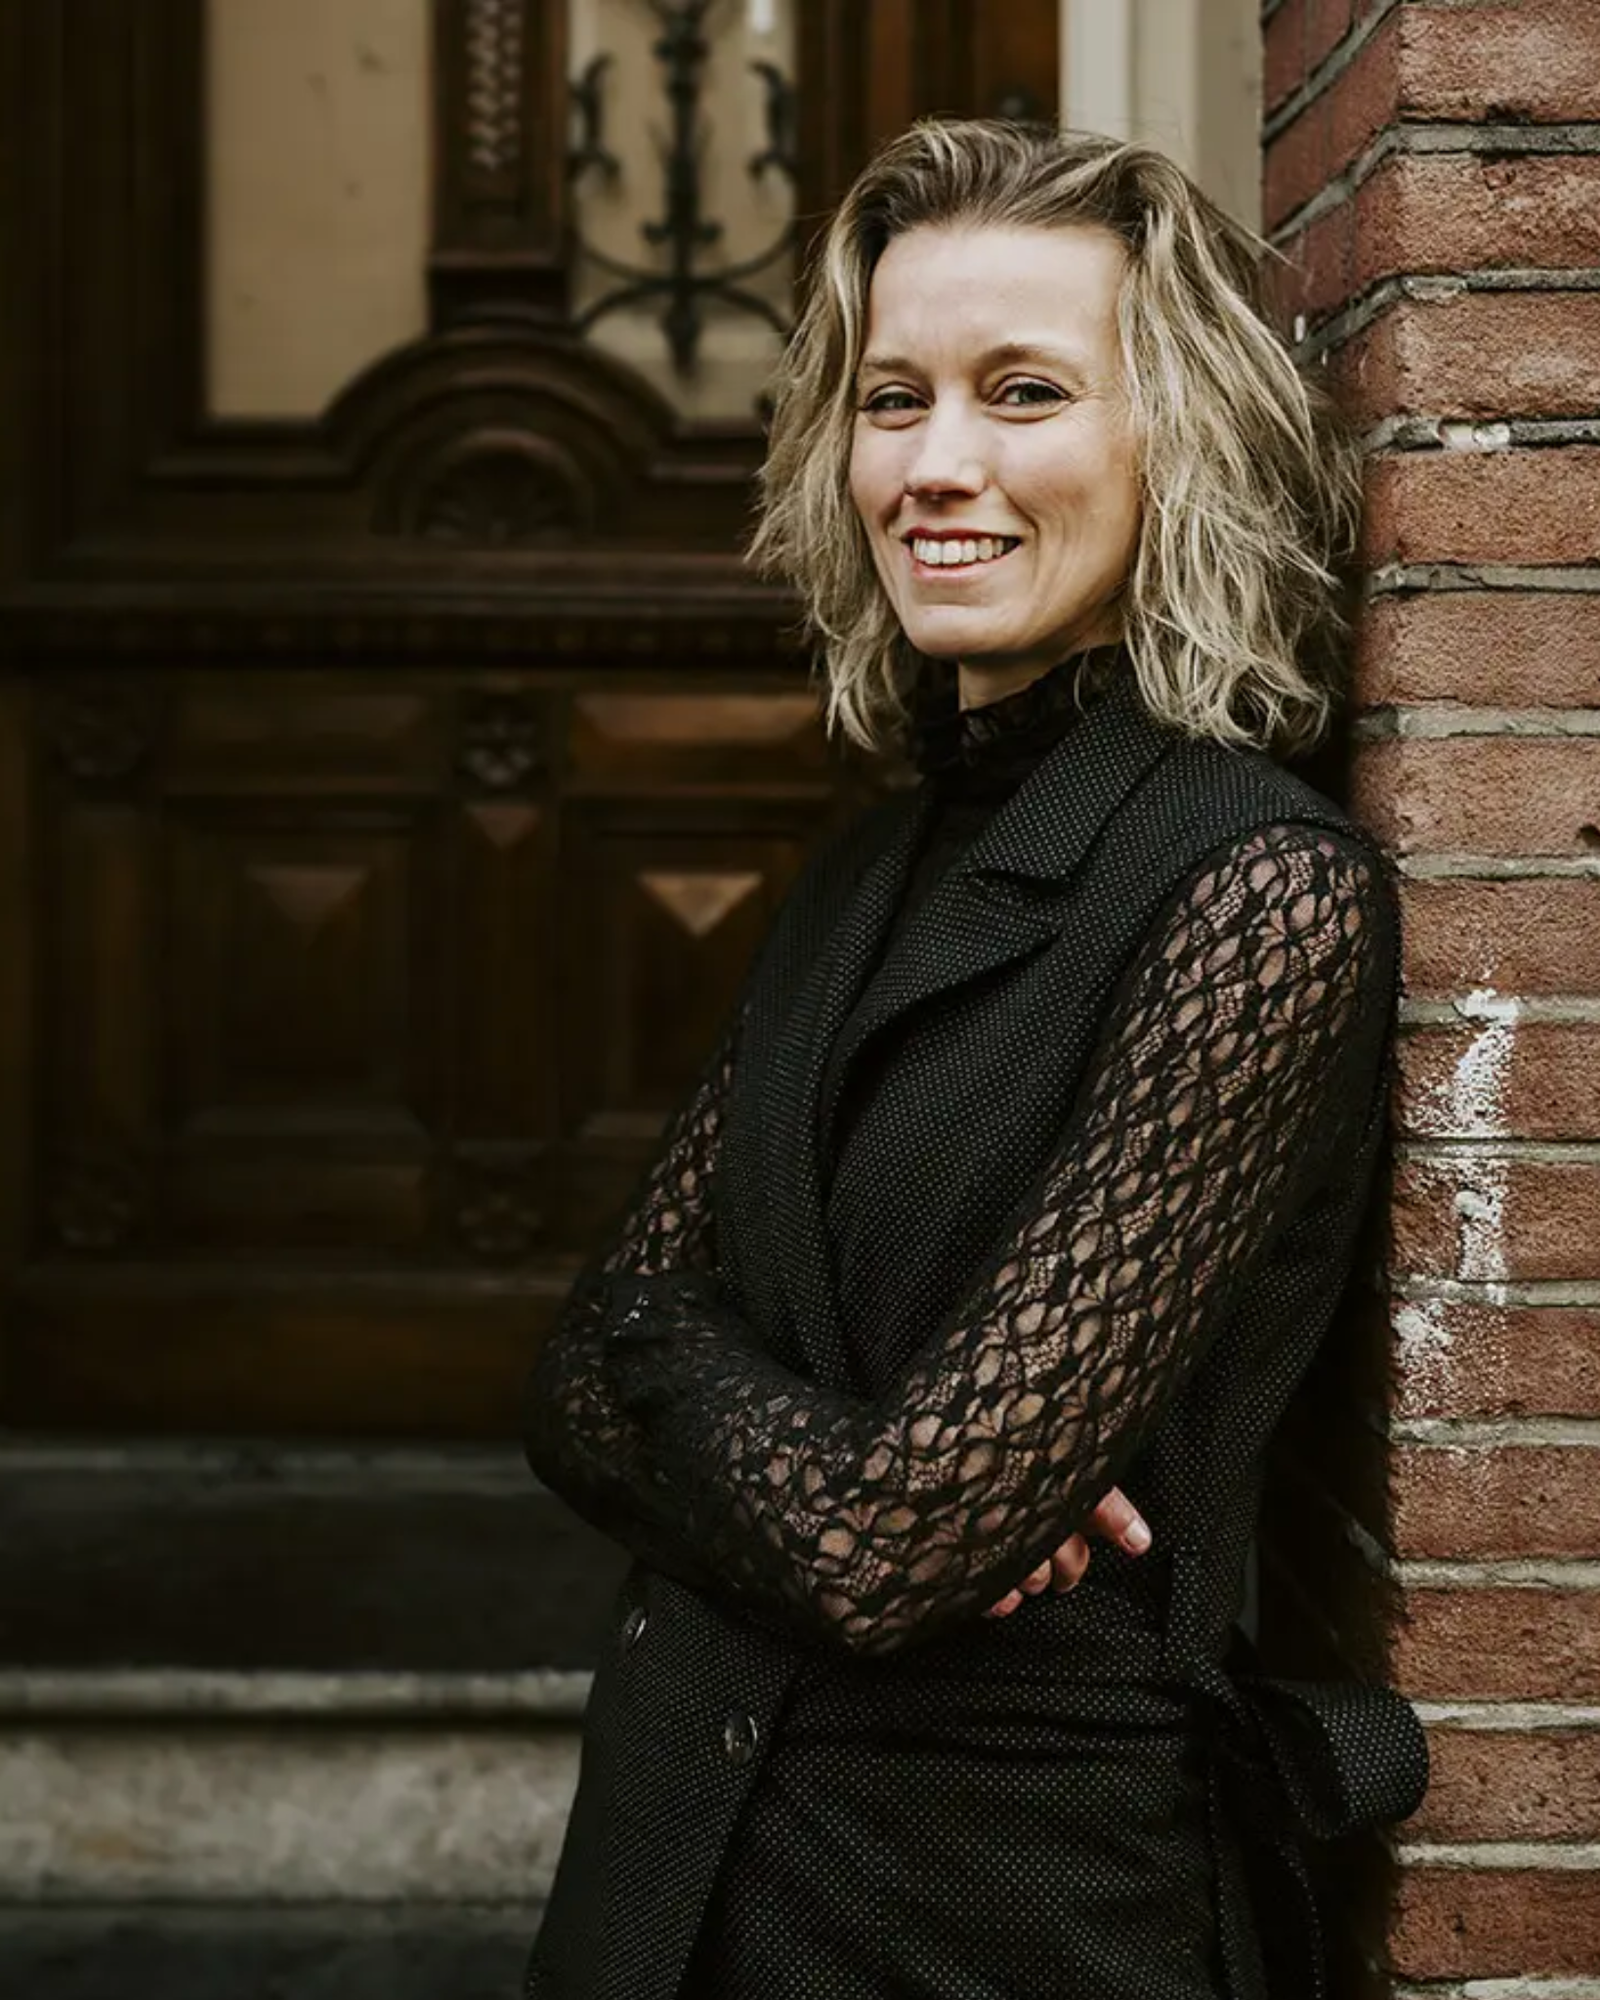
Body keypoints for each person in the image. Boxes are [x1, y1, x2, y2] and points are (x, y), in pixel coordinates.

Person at [522, 119, 1428, 2000]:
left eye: (1024, 393)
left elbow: (889, 1545)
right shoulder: (874, 863)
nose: (936, 464)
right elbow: (578, 1376)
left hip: (989, 1905)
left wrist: (810, 1442)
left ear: (1176, 436)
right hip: (677, 1852)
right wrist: (869, 1455)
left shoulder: (1254, 891)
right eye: (892, 398)